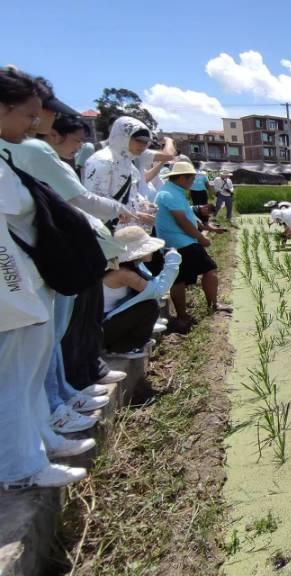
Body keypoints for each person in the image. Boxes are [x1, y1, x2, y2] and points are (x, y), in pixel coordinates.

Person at [0, 67, 90, 490]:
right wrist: (16, 291)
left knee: (29, 374)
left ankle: (42, 441)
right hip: (12, 288)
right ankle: (19, 469)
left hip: (28, 282)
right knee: (14, 379)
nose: (36, 124)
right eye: (28, 114)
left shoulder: (7, 151)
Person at [155, 161, 229, 331]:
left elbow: (189, 216)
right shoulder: (170, 195)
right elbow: (182, 221)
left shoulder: (172, 192)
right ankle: (213, 305)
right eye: (191, 179)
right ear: (181, 178)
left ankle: (183, 316)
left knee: (179, 279)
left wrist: (208, 228)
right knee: (210, 269)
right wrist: (201, 239)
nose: (192, 182)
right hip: (182, 242)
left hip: (173, 243)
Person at [103, 226, 180, 357]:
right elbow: (158, 290)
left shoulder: (130, 267)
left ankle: (129, 342)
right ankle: (121, 348)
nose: (152, 251)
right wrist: (173, 261)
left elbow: (152, 284)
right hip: (101, 328)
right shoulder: (123, 273)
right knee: (149, 306)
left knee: (148, 302)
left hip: (107, 322)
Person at [83, 116, 156, 221]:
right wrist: (136, 214)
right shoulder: (102, 160)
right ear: (124, 136)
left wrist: (143, 204)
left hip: (125, 227)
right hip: (105, 229)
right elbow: (96, 202)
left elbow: (130, 194)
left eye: (146, 142)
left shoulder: (128, 163)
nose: (143, 146)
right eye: (139, 140)